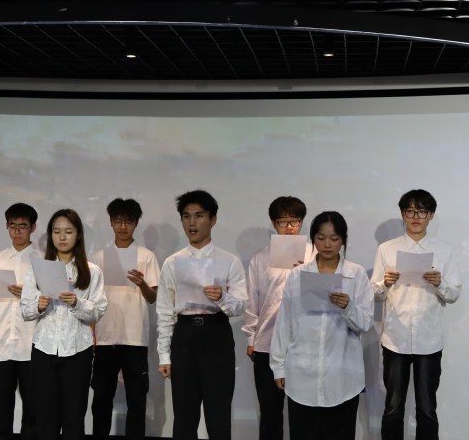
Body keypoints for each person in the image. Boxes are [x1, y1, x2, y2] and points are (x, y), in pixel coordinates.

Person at [270, 211, 373, 440]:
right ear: (313, 239)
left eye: (334, 238)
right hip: (302, 374)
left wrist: (348, 307)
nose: (327, 244)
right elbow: (284, 322)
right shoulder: (297, 275)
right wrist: (278, 366)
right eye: (321, 237)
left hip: (342, 377)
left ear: (343, 240)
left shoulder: (355, 275)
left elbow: (365, 323)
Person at [156, 189, 247, 440]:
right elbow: (164, 311)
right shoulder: (172, 262)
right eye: (186, 216)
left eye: (199, 216)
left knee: (218, 414)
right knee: (184, 416)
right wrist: (164, 355)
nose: (192, 222)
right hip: (184, 336)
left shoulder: (229, 261)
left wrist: (222, 297)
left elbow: (241, 305)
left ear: (213, 219)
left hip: (217, 333)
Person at [371, 189, 462, 440]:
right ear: (402, 214)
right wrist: (385, 283)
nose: (415, 217)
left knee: (427, 409)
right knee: (393, 408)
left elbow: (454, 294)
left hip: (429, 340)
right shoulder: (387, 249)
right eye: (410, 211)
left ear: (431, 215)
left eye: (422, 212)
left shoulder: (443, 251)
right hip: (395, 339)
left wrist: (440, 283)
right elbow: (373, 293)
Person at [21, 209, 108, 440]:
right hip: (44, 349)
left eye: (68, 231)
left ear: (78, 235)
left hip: (78, 351)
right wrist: (39, 305)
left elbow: (98, 312)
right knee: (45, 419)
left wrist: (77, 303)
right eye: (56, 231)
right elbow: (25, 311)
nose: (62, 237)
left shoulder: (92, 271)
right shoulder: (38, 269)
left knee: (74, 418)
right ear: (50, 235)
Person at [242, 196, 314, 440]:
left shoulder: (315, 254)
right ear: (274, 224)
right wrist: (251, 338)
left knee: (303, 413)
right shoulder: (260, 258)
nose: (290, 227)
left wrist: (305, 272)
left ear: (302, 222)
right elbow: (252, 300)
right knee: (270, 410)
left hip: (304, 344)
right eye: (283, 222)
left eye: (295, 221)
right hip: (268, 342)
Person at [91, 198, 160, 440]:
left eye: (128, 221)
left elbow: (153, 297)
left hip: (135, 338)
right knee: (101, 398)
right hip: (105, 337)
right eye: (118, 221)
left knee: (137, 400)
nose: (123, 226)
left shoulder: (146, 256)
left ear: (136, 223)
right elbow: (91, 299)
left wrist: (141, 283)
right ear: (111, 222)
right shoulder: (99, 257)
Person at [0, 203, 42, 440]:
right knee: (2, 410)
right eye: (12, 226)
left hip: (32, 345)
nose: (16, 231)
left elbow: (50, 301)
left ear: (33, 227)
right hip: (0, 344)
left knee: (33, 411)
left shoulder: (42, 260)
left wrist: (28, 294)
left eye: (22, 226)